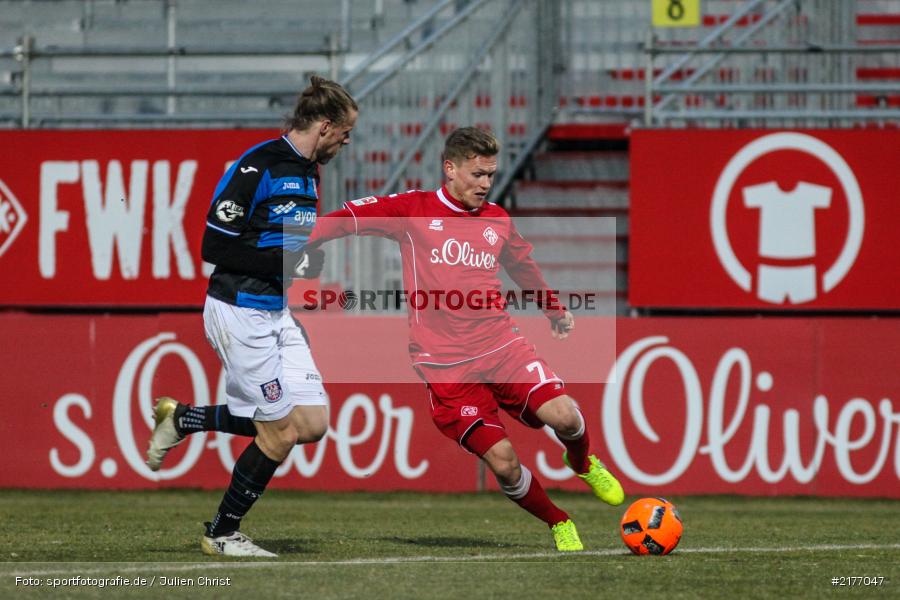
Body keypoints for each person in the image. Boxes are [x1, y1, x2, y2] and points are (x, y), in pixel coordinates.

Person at [304, 127, 625, 551]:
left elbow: (523, 267)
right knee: (505, 464)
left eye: (491, 175)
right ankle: (559, 521)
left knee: (565, 417)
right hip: (447, 368)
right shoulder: (413, 210)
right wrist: (294, 240)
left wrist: (553, 310)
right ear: (450, 169)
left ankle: (582, 462)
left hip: (502, 348)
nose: (486, 184)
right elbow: (347, 218)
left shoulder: (497, 220)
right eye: (477, 174)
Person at [145, 75, 358, 557]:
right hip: (239, 310)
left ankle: (184, 418)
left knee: (310, 423)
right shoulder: (257, 165)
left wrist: (298, 263)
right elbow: (213, 246)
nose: (347, 142)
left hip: (276, 312)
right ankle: (221, 533)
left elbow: (285, 247)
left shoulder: (308, 172)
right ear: (325, 126)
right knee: (279, 434)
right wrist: (286, 264)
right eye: (345, 132)